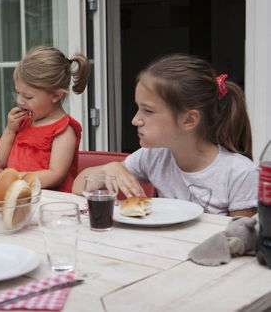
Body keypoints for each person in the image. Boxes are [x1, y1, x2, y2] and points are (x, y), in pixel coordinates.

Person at [73, 54, 257, 217]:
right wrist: (108, 169)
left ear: (189, 120)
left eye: (148, 111)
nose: (135, 120)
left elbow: (241, 238)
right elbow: (78, 186)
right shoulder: (155, 156)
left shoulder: (239, 173)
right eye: (139, 108)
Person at [0, 46, 91, 192]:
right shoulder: (24, 123)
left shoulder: (64, 130)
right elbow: (1, 161)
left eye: (28, 97)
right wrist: (10, 129)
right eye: (18, 93)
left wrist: (13, 177)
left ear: (56, 96)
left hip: (51, 201)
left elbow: (56, 175)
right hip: (22, 197)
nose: (20, 101)